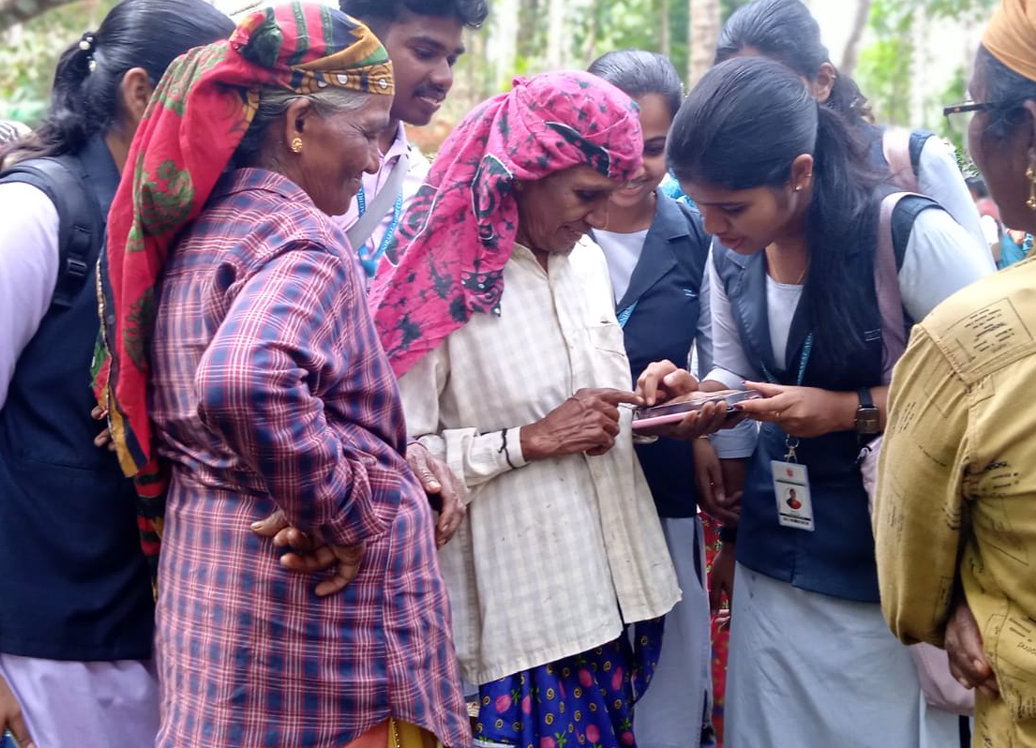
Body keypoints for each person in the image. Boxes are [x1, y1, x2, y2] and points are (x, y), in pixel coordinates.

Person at [100, 2, 470, 747]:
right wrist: (347, 510)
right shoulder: (300, 239)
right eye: (366, 133)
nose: (374, 161)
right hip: (321, 656)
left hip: (219, 616)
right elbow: (247, 378)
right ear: (299, 122)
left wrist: (381, 464)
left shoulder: (206, 230)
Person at [637, 55, 992, 747]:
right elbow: (737, 377)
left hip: (890, 568)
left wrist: (847, 409)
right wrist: (700, 399)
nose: (712, 227)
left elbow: (994, 387)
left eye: (732, 207)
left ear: (799, 173)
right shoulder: (732, 252)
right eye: (700, 204)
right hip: (779, 560)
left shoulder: (905, 234)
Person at [0, 0, 234, 747]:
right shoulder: (21, 226)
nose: (240, 129)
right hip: (15, 658)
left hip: (120, 638)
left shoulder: (160, 230)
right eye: (225, 101)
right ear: (142, 94)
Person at [369, 71, 681, 748]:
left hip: (611, 596)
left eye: (609, 197)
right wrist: (524, 442)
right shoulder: (439, 280)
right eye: (584, 196)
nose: (596, 217)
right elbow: (388, 457)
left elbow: (599, 415)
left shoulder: (587, 262)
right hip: (516, 624)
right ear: (527, 170)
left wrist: (661, 410)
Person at [876, 0, 1036, 746]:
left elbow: (911, 594)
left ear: (1031, 134)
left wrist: (977, 594)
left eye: (974, 108)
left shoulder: (967, 345)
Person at [586, 49, 716, 748]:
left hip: (661, 480)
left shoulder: (692, 234)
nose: (635, 165)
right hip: (567, 482)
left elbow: (714, 357)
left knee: (667, 672)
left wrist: (697, 431)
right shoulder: (544, 228)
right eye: (616, 145)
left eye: (656, 148)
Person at [715, 0, 994, 271]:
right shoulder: (729, 187)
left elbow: (979, 293)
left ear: (822, 81)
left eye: (769, 89)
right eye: (734, 91)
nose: (749, 106)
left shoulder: (912, 158)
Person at [334, 0, 489, 283]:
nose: (444, 78)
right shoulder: (296, 161)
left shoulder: (429, 183)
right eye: (424, 52)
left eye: (450, 60)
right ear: (360, 42)